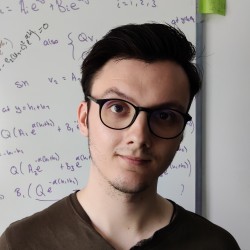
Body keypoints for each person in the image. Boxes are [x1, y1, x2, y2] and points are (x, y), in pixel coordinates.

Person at [0, 23, 240, 250]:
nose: (139, 136)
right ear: (85, 118)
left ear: (181, 133)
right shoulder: (21, 242)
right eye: (118, 108)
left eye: (165, 116)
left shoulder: (215, 244)